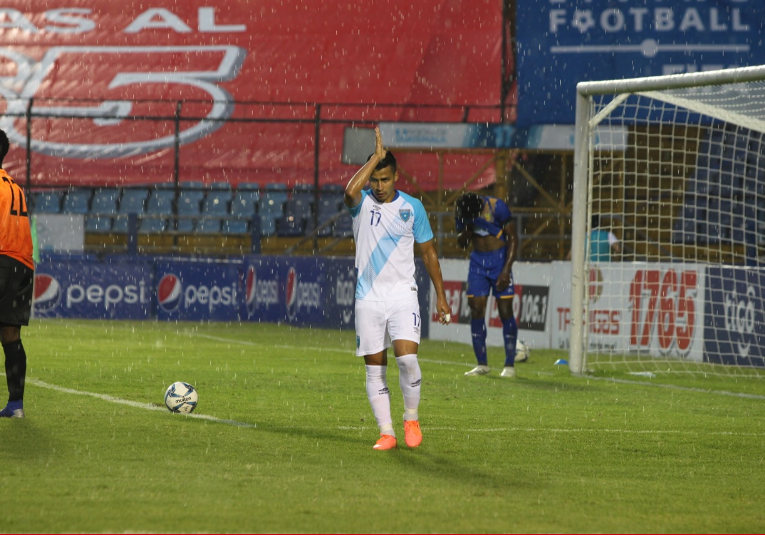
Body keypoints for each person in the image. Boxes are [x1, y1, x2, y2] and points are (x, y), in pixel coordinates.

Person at [344, 127, 451, 451]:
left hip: (403, 295)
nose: (379, 186)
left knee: (407, 360)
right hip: (368, 298)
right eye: (375, 180)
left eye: (385, 179)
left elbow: (429, 252)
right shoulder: (360, 203)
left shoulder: (413, 208)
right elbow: (349, 191)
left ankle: (411, 416)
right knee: (375, 367)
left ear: (396, 177)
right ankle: (386, 431)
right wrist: (375, 157)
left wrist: (441, 296)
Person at [455, 191, 519, 378]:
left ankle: (509, 365)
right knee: (476, 310)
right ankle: (482, 364)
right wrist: (467, 226)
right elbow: (462, 243)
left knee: (505, 310)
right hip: (477, 264)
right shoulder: (462, 211)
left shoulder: (497, 206)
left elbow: (513, 238)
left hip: (499, 261)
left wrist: (506, 269)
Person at [0, 129, 34, 418]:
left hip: (0, 258)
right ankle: (16, 405)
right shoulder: (14, 186)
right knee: (10, 334)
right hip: (22, 263)